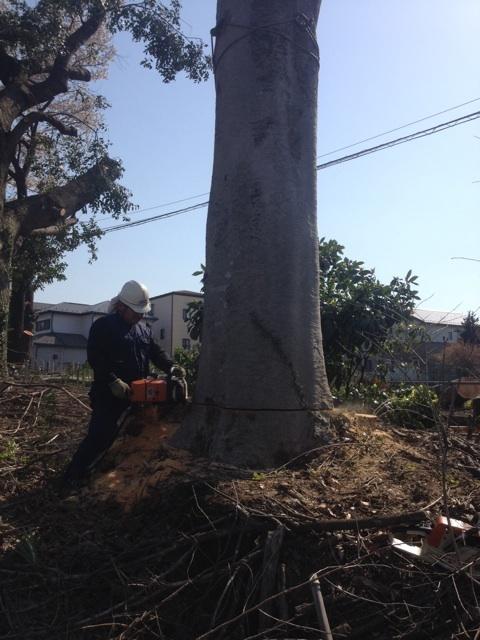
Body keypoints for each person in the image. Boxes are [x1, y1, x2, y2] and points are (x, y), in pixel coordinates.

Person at [63, 280, 185, 490]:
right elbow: (95, 357)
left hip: (138, 395)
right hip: (108, 394)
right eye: (136, 311)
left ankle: (111, 479)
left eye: (141, 311)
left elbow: (157, 353)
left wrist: (172, 367)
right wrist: (112, 380)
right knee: (100, 435)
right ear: (122, 306)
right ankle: (73, 477)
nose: (140, 315)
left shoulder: (144, 330)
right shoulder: (103, 326)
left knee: (132, 437)